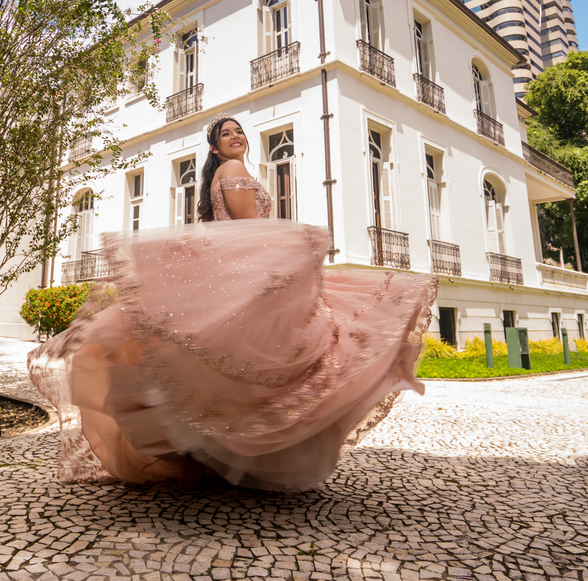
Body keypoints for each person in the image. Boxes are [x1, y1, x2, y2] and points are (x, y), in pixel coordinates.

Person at [28, 113, 437, 490]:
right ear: (215, 147)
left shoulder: (221, 173)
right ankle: (230, 452)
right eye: (227, 134)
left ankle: (208, 456)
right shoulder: (234, 170)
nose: (236, 136)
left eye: (239, 131)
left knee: (222, 369)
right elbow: (251, 230)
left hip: (238, 276)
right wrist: (300, 243)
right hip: (248, 275)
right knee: (265, 364)